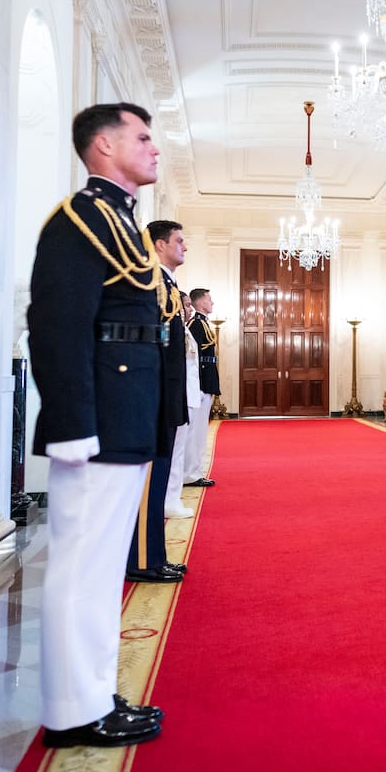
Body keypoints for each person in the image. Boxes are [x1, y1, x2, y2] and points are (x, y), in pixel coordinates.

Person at [27, 102, 166, 748]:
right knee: (82, 566)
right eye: (142, 137)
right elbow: (57, 326)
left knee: (102, 567)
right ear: (104, 146)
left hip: (123, 414)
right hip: (97, 421)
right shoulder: (77, 220)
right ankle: (71, 711)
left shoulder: (118, 220)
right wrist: (73, 425)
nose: (154, 148)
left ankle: (91, 694)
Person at [126, 220, 190, 584]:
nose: (184, 247)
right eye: (179, 241)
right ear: (159, 244)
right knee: (150, 483)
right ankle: (143, 559)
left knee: (159, 478)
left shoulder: (167, 283)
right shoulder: (153, 283)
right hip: (154, 399)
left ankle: (155, 555)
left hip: (165, 397)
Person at [164, 292, 200, 519]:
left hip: (188, 396)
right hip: (179, 397)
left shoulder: (184, 329)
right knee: (175, 453)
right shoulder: (175, 328)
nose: (190, 310)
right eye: (186, 305)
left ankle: (172, 498)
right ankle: (170, 500)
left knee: (179, 450)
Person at [183, 288, 218, 488]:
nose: (212, 303)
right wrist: (203, 385)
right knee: (195, 432)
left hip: (206, 381)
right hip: (201, 383)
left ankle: (194, 471)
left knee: (200, 431)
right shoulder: (196, 324)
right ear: (199, 302)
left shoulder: (202, 323)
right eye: (209, 299)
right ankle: (191, 473)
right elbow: (194, 359)